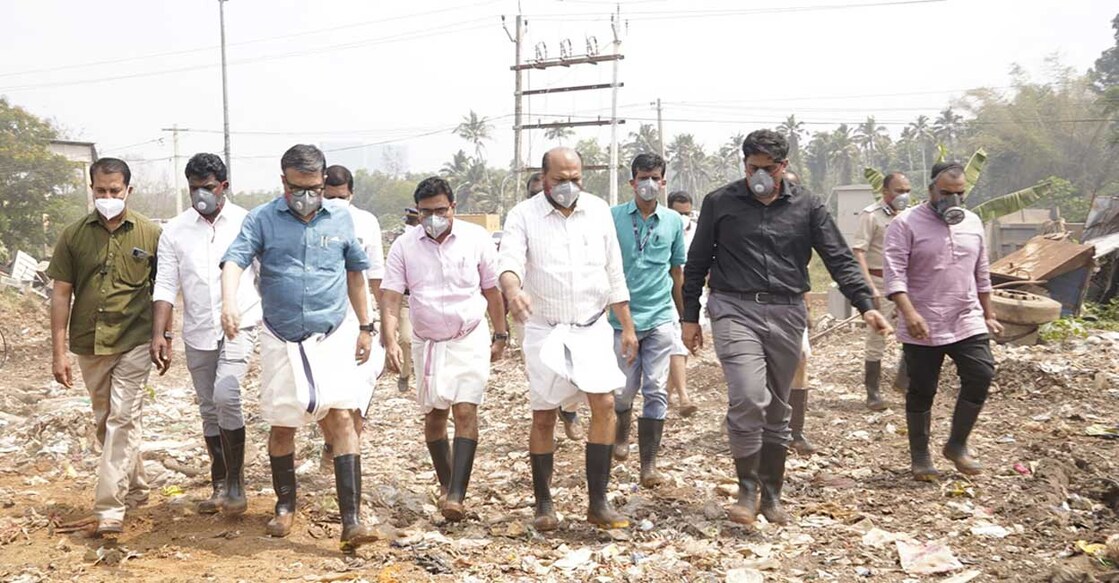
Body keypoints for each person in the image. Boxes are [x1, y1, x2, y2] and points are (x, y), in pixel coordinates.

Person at [682, 130, 892, 527]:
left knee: (778, 408)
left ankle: (772, 495)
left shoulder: (808, 206)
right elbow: (697, 262)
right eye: (752, 167)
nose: (759, 175)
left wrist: (866, 304)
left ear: (784, 166)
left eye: (767, 168)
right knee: (748, 395)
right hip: (733, 309)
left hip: (786, 312)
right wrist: (689, 316)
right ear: (744, 165)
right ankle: (746, 491)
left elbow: (839, 258)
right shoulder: (720, 202)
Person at [220, 144, 378, 552]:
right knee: (283, 423)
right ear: (283, 182)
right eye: (297, 188)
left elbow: (356, 275)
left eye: (313, 187)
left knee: (343, 418)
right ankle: (285, 504)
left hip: (331, 334)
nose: (306, 196)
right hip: (282, 336)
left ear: (324, 182)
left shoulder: (341, 219)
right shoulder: (262, 219)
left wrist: (366, 326)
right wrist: (229, 302)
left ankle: (352, 521)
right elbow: (234, 261)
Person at [499, 146, 638, 531]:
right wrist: (513, 292)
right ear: (543, 178)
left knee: (605, 404)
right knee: (544, 415)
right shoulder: (522, 216)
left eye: (576, 178)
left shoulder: (598, 211)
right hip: (545, 327)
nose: (569, 186)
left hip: (592, 326)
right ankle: (544, 503)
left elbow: (614, 271)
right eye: (560, 180)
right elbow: (508, 263)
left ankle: (598, 502)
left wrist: (626, 325)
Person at [381, 177, 507, 521]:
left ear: (453, 208)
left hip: (469, 335)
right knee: (435, 416)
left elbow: (493, 290)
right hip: (428, 342)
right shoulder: (404, 246)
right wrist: (389, 339)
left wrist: (501, 333)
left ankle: (456, 495)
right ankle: (446, 480)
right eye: (426, 212)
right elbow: (391, 296)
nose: (434, 218)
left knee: (465, 411)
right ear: (416, 212)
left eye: (440, 211)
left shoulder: (476, 239)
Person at [48, 158, 161, 536]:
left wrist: (165, 335)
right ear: (91, 190)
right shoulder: (73, 235)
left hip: (135, 340)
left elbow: (163, 293)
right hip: (89, 343)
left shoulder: (149, 234)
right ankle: (139, 487)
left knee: (122, 418)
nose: (108, 197)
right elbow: (61, 295)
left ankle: (109, 508)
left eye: (115, 191)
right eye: (101, 191)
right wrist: (58, 351)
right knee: (106, 421)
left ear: (129, 190)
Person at [151, 153, 260, 516]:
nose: (202, 195)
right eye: (195, 188)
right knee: (208, 407)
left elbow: (264, 274)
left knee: (227, 394)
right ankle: (220, 483)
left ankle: (237, 483)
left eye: (208, 187)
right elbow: (166, 285)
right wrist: (161, 333)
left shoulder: (248, 222)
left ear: (223, 186)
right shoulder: (175, 230)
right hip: (197, 329)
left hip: (239, 324)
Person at [883, 161, 1000, 482]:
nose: (953, 201)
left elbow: (982, 272)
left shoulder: (973, 223)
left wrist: (989, 313)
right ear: (931, 189)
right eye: (946, 193)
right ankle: (921, 457)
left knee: (981, 374)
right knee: (922, 389)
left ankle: (957, 444)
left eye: (960, 194)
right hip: (922, 320)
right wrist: (909, 313)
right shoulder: (905, 224)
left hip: (966, 316)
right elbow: (895, 275)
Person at [610, 153, 686, 488]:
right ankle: (621, 434)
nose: (649, 184)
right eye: (643, 177)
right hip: (621, 318)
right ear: (632, 182)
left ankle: (649, 465)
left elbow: (677, 269)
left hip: (660, 317)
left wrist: (685, 317)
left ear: (664, 181)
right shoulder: (612, 218)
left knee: (655, 389)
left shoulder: (672, 221)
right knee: (624, 390)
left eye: (655, 177)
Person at [319, 165, 386, 470]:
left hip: (359, 322)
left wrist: (385, 324)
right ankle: (332, 443)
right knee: (323, 397)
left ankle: (347, 462)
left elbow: (374, 276)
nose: (335, 203)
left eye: (341, 196)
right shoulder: (309, 220)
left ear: (352, 194)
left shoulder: (366, 222)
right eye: (329, 196)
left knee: (357, 393)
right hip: (321, 322)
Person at [852, 172, 912, 411]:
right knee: (877, 336)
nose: (904, 196)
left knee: (913, 331)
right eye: (899, 191)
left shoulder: (911, 216)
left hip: (906, 284)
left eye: (907, 190)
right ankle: (873, 392)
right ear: (885, 192)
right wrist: (867, 285)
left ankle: (903, 381)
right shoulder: (871, 216)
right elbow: (859, 251)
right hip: (880, 282)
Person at [782, 170, 817, 455]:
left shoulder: (803, 221)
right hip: (754, 309)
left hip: (792, 304)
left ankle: (796, 431)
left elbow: (801, 270)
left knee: (801, 361)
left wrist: (807, 308)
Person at [665, 191, 699, 417]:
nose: (683, 218)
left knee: (683, 345)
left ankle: (664, 394)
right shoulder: (663, 227)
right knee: (677, 345)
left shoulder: (697, 231)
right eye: (679, 213)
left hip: (693, 293)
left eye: (687, 213)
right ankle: (684, 397)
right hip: (668, 294)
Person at [396, 207, 421, 393]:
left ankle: (422, 376)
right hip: (406, 299)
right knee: (405, 339)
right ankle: (405, 373)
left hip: (427, 300)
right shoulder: (401, 244)